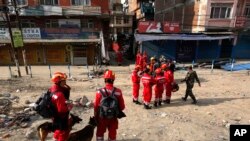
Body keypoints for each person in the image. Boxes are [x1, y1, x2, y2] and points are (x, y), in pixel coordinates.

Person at [94, 70, 125, 141]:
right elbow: (122, 107)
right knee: (112, 133)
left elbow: (95, 106)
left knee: (100, 133)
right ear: (113, 80)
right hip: (113, 117)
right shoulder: (118, 91)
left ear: (105, 79)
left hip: (102, 117)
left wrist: (96, 116)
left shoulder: (99, 92)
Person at [50, 72, 74, 141]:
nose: (65, 82)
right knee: (63, 132)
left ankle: (54, 139)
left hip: (54, 114)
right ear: (58, 82)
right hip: (61, 116)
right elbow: (62, 109)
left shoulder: (52, 89)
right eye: (64, 81)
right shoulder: (59, 94)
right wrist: (70, 106)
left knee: (58, 129)